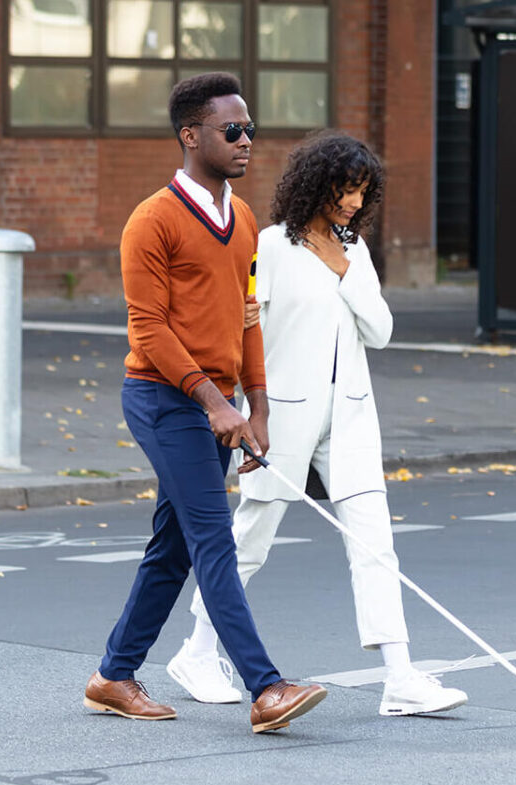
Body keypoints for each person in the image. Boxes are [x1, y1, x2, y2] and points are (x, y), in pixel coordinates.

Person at [167, 132, 468, 717]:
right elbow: (249, 330)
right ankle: (198, 650)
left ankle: (400, 677)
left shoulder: (354, 250)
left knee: (375, 543)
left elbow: (380, 331)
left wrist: (345, 268)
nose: (353, 202)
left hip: (352, 414)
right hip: (283, 415)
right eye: (345, 189)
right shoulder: (273, 245)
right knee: (251, 538)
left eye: (361, 191)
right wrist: (247, 409)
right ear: (316, 184)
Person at [83, 73, 326, 734]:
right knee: (213, 537)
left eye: (250, 129)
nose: (247, 140)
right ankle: (265, 687)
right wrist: (212, 403)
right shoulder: (152, 220)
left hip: (214, 402)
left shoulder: (244, 219)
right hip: (163, 399)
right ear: (192, 135)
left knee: (174, 548)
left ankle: (112, 676)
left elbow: (249, 317)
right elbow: (150, 331)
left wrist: (259, 410)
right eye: (233, 130)